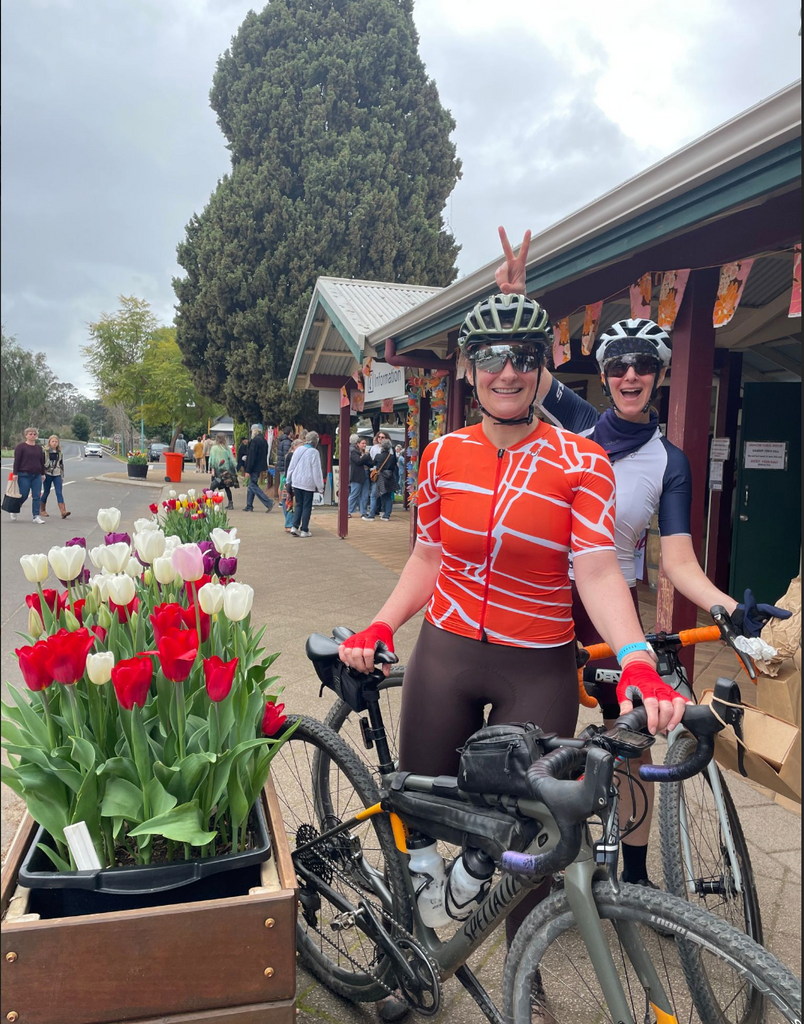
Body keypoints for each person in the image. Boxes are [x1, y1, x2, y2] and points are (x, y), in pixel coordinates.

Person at [338, 293, 687, 1021]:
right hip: (448, 654)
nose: (507, 372)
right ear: (470, 368)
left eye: (524, 358)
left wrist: (638, 661)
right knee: (422, 824)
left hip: (539, 667)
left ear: (543, 368)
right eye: (492, 358)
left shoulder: (582, 460)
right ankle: (406, 958)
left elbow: (596, 570)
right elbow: (428, 556)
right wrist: (380, 624)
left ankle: (523, 976)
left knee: (532, 844)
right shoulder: (442, 455)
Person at [495, 225, 792, 891]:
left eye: (643, 366)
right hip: (544, 601)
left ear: (658, 377)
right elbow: (527, 369)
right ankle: (535, 867)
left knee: (628, 740)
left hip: (609, 611)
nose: (630, 376)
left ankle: (630, 876)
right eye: (618, 366)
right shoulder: (576, 424)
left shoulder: (671, 463)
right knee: (539, 735)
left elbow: (680, 563)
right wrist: (520, 300)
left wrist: (727, 608)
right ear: (604, 375)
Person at [286, 430, 324, 537]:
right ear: (315, 441)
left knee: (299, 504)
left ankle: (294, 526)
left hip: (296, 482)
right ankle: (304, 529)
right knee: (307, 506)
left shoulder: (298, 449)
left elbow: (292, 466)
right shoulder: (314, 452)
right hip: (308, 483)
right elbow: (317, 471)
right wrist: (320, 487)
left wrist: (288, 480)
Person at [10, 427, 46, 524]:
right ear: (26, 435)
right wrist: (15, 473)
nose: (32, 436)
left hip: (37, 475)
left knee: (37, 496)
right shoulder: (21, 447)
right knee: (24, 494)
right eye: (30, 434)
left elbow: (41, 462)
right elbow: (17, 461)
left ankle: (36, 516)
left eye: (34, 434)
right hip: (24, 474)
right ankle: (14, 509)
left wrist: (43, 473)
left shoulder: (39, 448)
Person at [243, 425, 275, 513]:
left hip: (254, 467)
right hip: (260, 466)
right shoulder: (264, 441)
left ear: (254, 431)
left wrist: (248, 470)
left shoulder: (254, 441)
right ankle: (249, 505)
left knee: (253, 485)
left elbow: (251, 457)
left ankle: (268, 502)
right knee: (250, 485)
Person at [40, 435, 70, 518]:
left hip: (57, 474)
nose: (54, 443)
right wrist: (42, 474)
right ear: (49, 442)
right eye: (52, 441)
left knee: (59, 492)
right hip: (47, 474)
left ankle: (63, 511)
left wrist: (62, 476)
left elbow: (61, 465)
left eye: (56, 442)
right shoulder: (45, 452)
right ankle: (42, 509)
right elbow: (42, 464)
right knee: (46, 492)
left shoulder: (59, 452)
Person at [209, 433, 237, 510]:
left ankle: (209, 502)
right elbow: (232, 459)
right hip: (226, 471)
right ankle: (230, 503)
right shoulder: (227, 448)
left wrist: (212, 470)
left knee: (212, 487)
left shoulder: (214, 448)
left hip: (218, 470)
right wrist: (235, 469)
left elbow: (212, 460)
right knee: (227, 487)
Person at [282, 438, 305, 532]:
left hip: (287, 479)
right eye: (301, 445)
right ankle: (289, 523)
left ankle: (289, 522)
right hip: (291, 480)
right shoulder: (292, 455)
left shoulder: (289, 455)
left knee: (286, 501)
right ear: (295, 446)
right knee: (289, 502)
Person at [372, 437, 397, 521]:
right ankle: (387, 514)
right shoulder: (392, 457)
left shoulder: (378, 456)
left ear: (382, 446)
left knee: (377, 494)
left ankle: (373, 513)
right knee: (388, 496)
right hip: (389, 476)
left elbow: (373, 463)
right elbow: (394, 467)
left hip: (381, 477)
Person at [348, 434, 373, 517]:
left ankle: (363, 512)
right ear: (358, 444)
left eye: (365, 443)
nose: (364, 445)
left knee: (365, 494)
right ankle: (348, 511)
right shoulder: (354, 452)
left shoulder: (366, 453)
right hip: (357, 475)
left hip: (366, 474)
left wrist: (366, 457)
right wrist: (365, 456)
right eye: (362, 443)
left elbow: (370, 463)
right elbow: (358, 461)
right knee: (354, 493)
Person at [366, 430, 388, 519]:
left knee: (383, 494)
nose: (380, 439)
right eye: (379, 437)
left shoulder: (389, 449)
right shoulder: (374, 448)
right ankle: (373, 512)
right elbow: (371, 460)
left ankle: (382, 511)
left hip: (384, 474)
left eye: (382, 437)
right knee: (374, 494)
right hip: (375, 472)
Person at [275, 424, 294, 496]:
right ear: (290, 432)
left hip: (281, 465)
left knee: (281, 483)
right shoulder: (287, 442)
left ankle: (281, 500)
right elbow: (287, 456)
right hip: (284, 466)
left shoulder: (281, 441)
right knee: (283, 484)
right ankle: (282, 500)